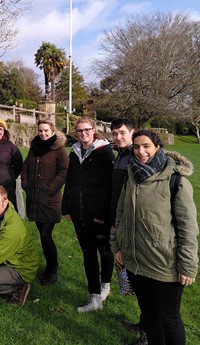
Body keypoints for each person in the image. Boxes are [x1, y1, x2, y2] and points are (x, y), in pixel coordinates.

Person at [110, 129, 198, 345]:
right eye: (137, 147)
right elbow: (120, 215)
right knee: (149, 315)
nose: (141, 151)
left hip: (164, 265)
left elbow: (188, 227)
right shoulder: (130, 177)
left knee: (169, 319)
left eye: (146, 146)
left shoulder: (176, 181)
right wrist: (117, 247)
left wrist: (187, 265)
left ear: (158, 147)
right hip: (136, 262)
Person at [62, 116, 115, 312]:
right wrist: (66, 207)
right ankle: (94, 298)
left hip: (98, 213)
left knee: (104, 249)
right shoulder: (75, 152)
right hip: (79, 211)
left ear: (93, 130)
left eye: (86, 130)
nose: (83, 134)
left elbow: (108, 185)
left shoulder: (105, 152)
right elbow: (70, 180)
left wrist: (101, 213)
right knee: (87, 253)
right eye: (79, 131)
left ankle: (106, 285)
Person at [110, 119, 147, 345]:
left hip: (136, 228)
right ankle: (144, 323)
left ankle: (148, 335)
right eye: (115, 134)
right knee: (132, 277)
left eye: (122, 133)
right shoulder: (121, 156)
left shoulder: (137, 158)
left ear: (132, 132)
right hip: (121, 224)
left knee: (144, 281)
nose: (118, 137)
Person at [21, 119, 68, 285]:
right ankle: (49, 267)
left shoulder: (59, 149)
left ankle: (53, 269)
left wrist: (50, 189)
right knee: (43, 235)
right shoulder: (35, 148)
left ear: (53, 131)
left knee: (45, 235)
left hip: (49, 201)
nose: (43, 134)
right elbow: (25, 167)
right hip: (35, 199)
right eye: (40, 131)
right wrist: (25, 184)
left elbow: (63, 172)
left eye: (46, 131)